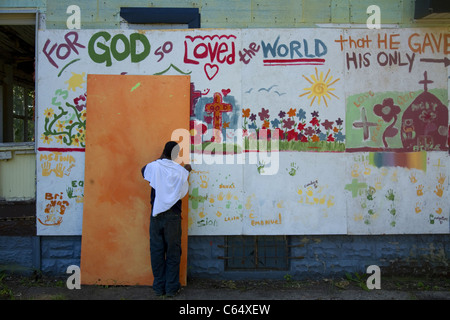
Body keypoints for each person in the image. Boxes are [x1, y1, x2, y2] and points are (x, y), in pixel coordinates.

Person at [141, 141, 192, 297]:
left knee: (156, 251)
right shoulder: (180, 171)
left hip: (156, 215)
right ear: (176, 155)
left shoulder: (154, 167)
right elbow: (181, 185)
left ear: (164, 151)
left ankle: (159, 287)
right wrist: (186, 170)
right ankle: (171, 288)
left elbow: (143, 171)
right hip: (173, 217)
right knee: (173, 253)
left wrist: (160, 158)